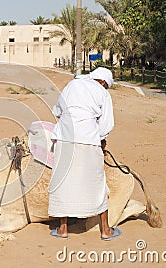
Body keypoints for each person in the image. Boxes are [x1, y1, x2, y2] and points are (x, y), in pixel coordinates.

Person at [48, 67, 122, 241]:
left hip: (64, 138)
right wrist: (101, 141)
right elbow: (106, 124)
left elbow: (57, 111)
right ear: (103, 82)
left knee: (63, 181)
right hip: (88, 139)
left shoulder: (72, 84)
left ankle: (63, 229)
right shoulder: (103, 93)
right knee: (97, 183)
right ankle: (105, 230)